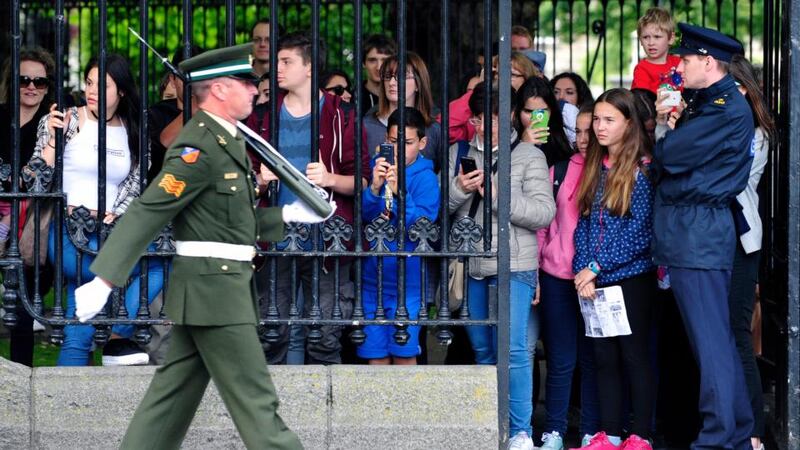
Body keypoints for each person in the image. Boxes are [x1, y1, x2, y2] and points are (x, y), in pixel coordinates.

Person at [72, 44, 322, 449]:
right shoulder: (198, 147)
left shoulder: (226, 140)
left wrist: (288, 217)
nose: (255, 90)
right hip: (217, 292)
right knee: (259, 405)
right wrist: (104, 280)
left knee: (169, 402)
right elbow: (149, 209)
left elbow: (230, 223)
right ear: (221, 90)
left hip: (211, 288)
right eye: (246, 83)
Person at [651, 23, 755, 449]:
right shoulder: (713, 103)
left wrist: (665, 134)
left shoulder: (723, 109)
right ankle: (736, 429)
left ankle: (717, 438)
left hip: (697, 233)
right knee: (716, 341)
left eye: (686, 59)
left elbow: (669, 155)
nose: (680, 65)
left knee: (710, 345)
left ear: (707, 62)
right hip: (696, 231)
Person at [31, 54, 164, 366]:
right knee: (140, 268)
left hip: (109, 232)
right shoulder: (67, 119)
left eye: (102, 85)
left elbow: (134, 183)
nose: (92, 91)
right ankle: (118, 331)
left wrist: (116, 213)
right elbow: (35, 180)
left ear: (122, 92)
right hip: (67, 232)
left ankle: (114, 331)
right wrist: (51, 140)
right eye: (89, 83)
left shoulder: (133, 129)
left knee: (159, 261)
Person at [251, 31, 370, 365]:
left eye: (286, 61)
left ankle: (323, 414)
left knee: (324, 336)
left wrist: (330, 178)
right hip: (274, 234)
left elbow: (361, 181)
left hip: (326, 236)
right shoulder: (262, 116)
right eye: (276, 60)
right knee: (271, 336)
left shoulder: (342, 114)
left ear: (309, 68)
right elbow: (243, 179)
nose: (277, 67)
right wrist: (260, 179)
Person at [448, 84, 555, 450]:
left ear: (508, 115)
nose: (484, 126)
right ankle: (490, 426)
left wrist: (496, 195)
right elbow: (440, 212)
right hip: (472, 264)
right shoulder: (458, 152)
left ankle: (521, 432)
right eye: (478, 119)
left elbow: (543, 213)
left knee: (514, 352)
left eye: (492, 118)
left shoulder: (528, 155)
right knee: (482, 350)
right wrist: (460, 189)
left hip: (515, 264)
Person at [573, 88, 656, 450]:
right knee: (603, 358)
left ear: (628, 123)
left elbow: (640, 232)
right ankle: (609, 435)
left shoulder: (641, 169)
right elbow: (584, 225)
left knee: (634, 356)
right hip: (595, 282)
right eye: (597, 120)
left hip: (631, 279)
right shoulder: (596, 167)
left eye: (609, 120)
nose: (600, 128)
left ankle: (641, 435)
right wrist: (582, 271)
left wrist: (595, 266)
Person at [535, 104, 600, 449]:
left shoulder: (609, 170)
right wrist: (537, 267)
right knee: (561, 360)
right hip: (557, 276)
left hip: (596, 279)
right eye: (580, 131)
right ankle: (554, 431)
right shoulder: (557, 169)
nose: (585, 138)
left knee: (592, 358)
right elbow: (544, 226)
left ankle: (590, 430)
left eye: (592, 130)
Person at [360, 107, 439, 365]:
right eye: (393, 142)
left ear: (422, 143)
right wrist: (373, 188)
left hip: (410, 283)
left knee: (404, 356)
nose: (398, 149)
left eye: (407, 143)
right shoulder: (378, 168)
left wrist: (399, 194)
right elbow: (365, 216)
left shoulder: (427, 178)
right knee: (375, 355)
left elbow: (422, 226)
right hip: (373, 279)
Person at [728, 54, 775, 450]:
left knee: (737, 335)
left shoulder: (754, 134)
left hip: (741, 241)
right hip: (712, 241)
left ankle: (754, 432)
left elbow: (730, 181)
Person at [0, 46, 55, 365]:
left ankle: (22, 373)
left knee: (22, 304)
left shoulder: (53, 123)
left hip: (32, 220)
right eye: (24, 80)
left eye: (39, 81)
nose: (31, 86)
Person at [363, 52, 442, 171]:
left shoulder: (433, 129)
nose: (392, 83)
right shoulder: (366, 126)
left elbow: (443, 176)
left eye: (402, 76)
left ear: (418, 84)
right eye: (388, 76)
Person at [448, 51, 537, 145]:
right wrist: (481, 89)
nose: (501, 78)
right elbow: (446, 129)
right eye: (498, 73)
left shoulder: (532, 107)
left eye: (511, 74)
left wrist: (525, 145)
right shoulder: (481, 111)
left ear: (526, 78)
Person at [148, 46, 204, 182]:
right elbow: (160, 149)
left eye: (198, 75)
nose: (191, 82)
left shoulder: (216, 115)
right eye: (185, 76)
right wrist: (196, 105)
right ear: (172, 80)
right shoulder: (156, 114)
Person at [513, 76, 574, 167]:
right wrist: (524, 146)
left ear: (552, 111)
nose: (536, 118)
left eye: (542, 112)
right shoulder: (507, 140)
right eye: (528, 111)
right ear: (517, 112)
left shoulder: (562, 143)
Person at [631, 7, 681, 94]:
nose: (651, 43)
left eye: (657, 37)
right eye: (646, 37)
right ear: (640, 41)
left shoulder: (679, 63)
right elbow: (642, 101)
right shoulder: (642, 69)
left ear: (671, 38)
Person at [360, 34, 397, 116]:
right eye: (372, 60)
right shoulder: (354, 98)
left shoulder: (404, 97)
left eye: (385, 60)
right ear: (363, 63)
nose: (379, 67)